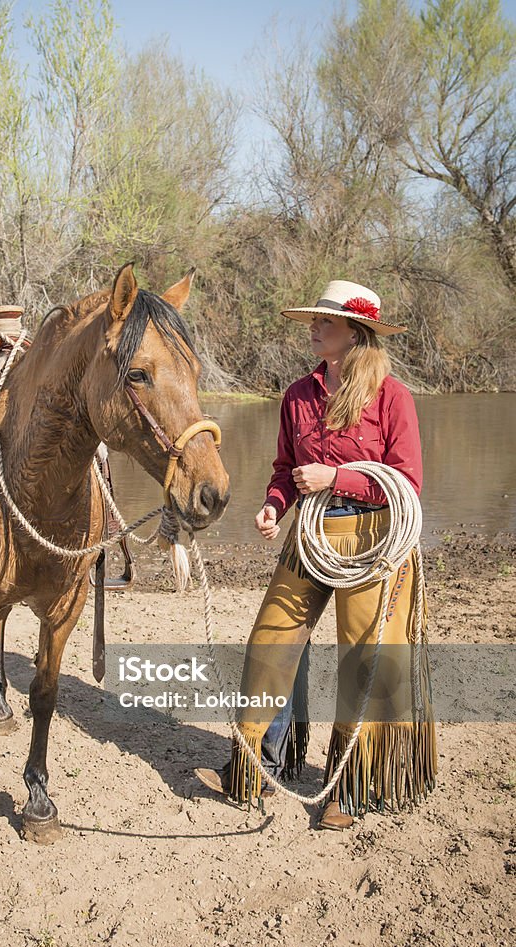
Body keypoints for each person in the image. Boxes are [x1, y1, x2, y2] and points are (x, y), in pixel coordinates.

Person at [195, 280, 436, 829]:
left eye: (324, 323)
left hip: (375, 538)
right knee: (270, 641)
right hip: (310, 533)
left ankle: (346, 790)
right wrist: (274, 506)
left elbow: (407, 481)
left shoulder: (391, 396)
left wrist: (337, 476)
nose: (313, 328)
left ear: (355, 333)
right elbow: (284, 470)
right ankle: (256, 762)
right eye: (314, 321)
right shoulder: (297, 395)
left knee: (365, 661)